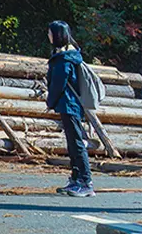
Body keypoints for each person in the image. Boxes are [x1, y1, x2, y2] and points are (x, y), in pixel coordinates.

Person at [47, 20, 95, 197]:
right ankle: (76, 179)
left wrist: (50, 102)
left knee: (76, 143)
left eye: (50, 33)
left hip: (69, 104)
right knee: (72, 143)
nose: (48, 36)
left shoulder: (64, 59)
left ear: (57, 35)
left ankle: (85, 182)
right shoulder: (66, 55)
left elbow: (58, 84)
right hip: (69, 104)